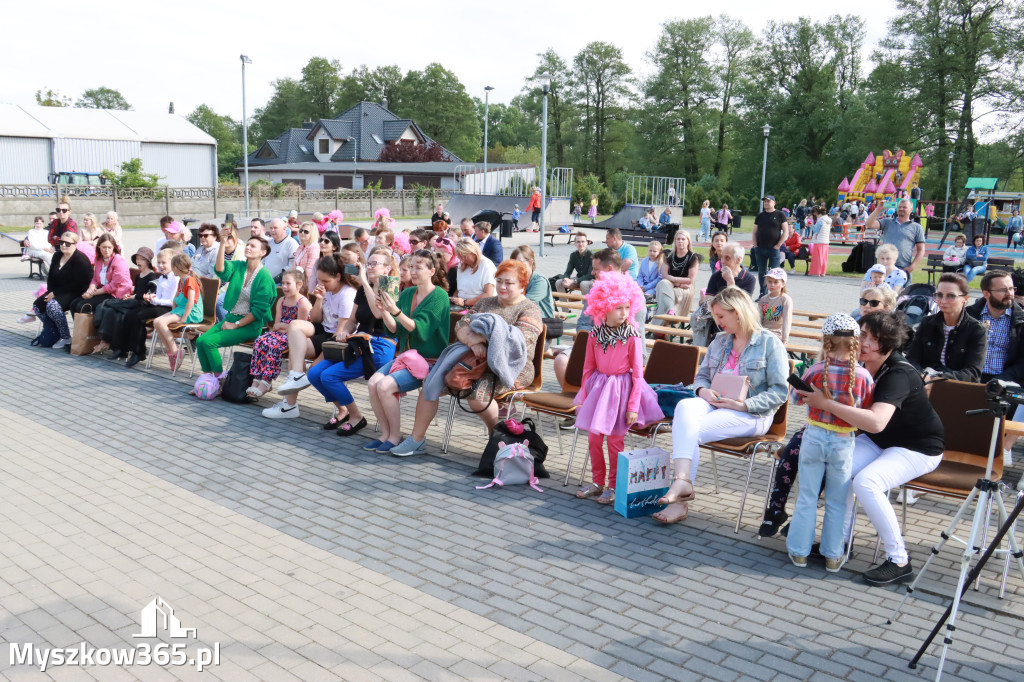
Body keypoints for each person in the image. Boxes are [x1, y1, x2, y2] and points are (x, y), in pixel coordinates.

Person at [800, 312, 944, 585]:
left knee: (866, 482)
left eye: (871, 339)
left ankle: (899, 559)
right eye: (861, 334)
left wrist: (825, 404)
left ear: (888, 346)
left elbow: (877, 422)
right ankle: (839, 544)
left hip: (919, 448)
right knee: (839, 471)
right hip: (882, 442)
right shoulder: (855, 364)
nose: (861, 342)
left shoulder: (899, 372)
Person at [759, 285, 897, 537]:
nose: (866, 305)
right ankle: (776, 510)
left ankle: (803, 521)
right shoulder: (847, 338)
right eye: (863, 300)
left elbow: (872, 409)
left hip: (856, 428)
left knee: (821, 461)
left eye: (874, 303)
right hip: (824, 424)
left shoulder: (883, 352)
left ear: (886, 308)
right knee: (792, 451)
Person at [653, 286, 789, 524]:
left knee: (687, 430)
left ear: (738, 312)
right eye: (715, 317)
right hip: (715, 404)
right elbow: (701, 376)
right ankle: (683, 483)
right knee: (685, 408)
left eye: (721, 316)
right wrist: (702, 390)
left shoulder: (769, 343)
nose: (717, 322)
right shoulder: (720, 341)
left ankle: (680, 497)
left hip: (752, 414)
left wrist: (743, 405)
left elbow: (779, 391)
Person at [389, 260, 542, 456]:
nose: (502, 287)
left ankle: (497, 438)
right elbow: (461, 325)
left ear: (522, 285)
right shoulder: (486, 302)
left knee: (477, 396)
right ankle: (416, 440)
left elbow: (520, 340)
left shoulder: (530, 309)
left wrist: (483, 337)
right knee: (431, 382)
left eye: (509, 283)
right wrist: (474, 342)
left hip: (511, 366)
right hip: (473, 361)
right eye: (499, 281)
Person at [787, 314, 874, 571]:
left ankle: (799, 551)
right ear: (856, 341)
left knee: (807, 497)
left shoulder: (814, 371)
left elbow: (796, 399)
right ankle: (833, 555)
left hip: (814, 437)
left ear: (826, 340)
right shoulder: (863, 376)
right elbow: (866, 408)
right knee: (837, 500)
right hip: (843, 441)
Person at [573, 272, 664, 505]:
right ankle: (597, 481)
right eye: (618, 308)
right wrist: (584, 395)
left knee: (615, 441)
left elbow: (637, 373)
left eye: (627, 307)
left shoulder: (632, 336)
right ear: (604, 308)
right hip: (599, 389)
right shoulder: (595, 334)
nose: (624, 313)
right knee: (594, 438)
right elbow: (587, 368)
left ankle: (613, 485)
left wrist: (633, 406)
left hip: (621, 393)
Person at [364, 251, 450, 453]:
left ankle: (395, 437)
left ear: (432, 271)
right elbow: (394, 329)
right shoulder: (408, 293)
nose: (412, 271)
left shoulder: (440, 296)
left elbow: (418, 328)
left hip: (430, 360)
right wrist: (384, 309)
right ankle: (386, 434)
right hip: (406, 357)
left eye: (418, 267)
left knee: (385, 386)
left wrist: (394, 311)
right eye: (411, 267)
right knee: (373, 383)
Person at [307, 249, 400, 434]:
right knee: (315, 373)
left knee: (329, 376)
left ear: (387, 268)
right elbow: (352, 321)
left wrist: (364, 281)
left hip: (381, 346)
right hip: (358, 342)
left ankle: (357, 416)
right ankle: (344, 410)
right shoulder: (362, 291)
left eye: (375, 264)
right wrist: (344, 332)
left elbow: (378, 314)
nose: (370, 267)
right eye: (369, 263)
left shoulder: (391, 285)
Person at [268, 250, 360, 418]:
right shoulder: (328, 290)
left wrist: (317, 361)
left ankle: (291, 405)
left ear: (338, 276)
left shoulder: (347, 294)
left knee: (312, 371)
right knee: (295, 328)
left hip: (339, 338)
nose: (322, 283)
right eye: (319, 279)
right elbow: (316, 320)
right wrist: (319, 299)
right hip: (323, 330)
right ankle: (296, 377)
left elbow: (340, 333)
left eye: (326, 280)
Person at [194, 231, 275, 376]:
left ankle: (219, 379)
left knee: (209, 342)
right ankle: (207, 380)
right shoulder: (240, 266)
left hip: (250, 325)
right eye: (247, 244)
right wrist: (222, 244)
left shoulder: (265, 277)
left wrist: (235, 325)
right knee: (201, 342)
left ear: (263, 252)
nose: (248, 247)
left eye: (253, 246)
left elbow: (258, 312)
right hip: (232, 317)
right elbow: (220, 270)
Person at [246, 269, 313, 399]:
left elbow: (300, 328)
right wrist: (283, 327)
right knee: (260, 341)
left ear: (299, 285)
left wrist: (284, 327)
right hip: (280, 334)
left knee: (273, 345)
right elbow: (276, 325)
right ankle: (257, 378)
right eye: (283, 283)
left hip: (294, 338)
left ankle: (267, 380)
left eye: (288, 283)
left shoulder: (303, 303)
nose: (284, 287)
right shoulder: (281, 300)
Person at [89, 247, 158, 357]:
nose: (138, 261)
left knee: (113, 307)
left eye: (142, 259)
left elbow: (148, 295)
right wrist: (130, 295)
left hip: (141, 305)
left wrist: (134, 296)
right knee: (112, 311)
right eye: (137, 259)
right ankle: (114, 345)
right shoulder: (139, 275)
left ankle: (117, 346)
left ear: (148, 261)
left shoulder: (151, 275)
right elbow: (137, 291)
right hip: (134, 301)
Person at [28, 232, 92, 349]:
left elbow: (79, 283)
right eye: (61, 242)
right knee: (38, 306)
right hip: (58, 290)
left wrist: (55, 293)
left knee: (52, 306)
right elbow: (51, 276)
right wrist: (50, 291)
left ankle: (66, 337)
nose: (63, 245)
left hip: (76, 291)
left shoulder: (80, 260)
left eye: (67, 243)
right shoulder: (57, 255)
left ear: (75, 244)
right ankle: (53, 329)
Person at [152, 254, 205, 372]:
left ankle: (176, 351)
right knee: (157, 322)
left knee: (162, 323)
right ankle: (171, 352)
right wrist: (171, 313)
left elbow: (191, 302)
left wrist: (183, 318)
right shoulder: (182, 280)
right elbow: (175, 299)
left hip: (191, 312)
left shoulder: (190, 280)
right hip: (180, 309)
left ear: (176, 267)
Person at [69, 233, 132, 317]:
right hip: (103, 291)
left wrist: (94, 293)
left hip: (116, 294)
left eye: (109, 247)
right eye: (104, 247)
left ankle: (89, 329)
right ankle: (80, 329)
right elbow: (95, 279)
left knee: (82, 306)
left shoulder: (119, 261)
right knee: (74, 304)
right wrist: (91, 288)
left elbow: (113, 286)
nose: (107, 250)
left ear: (113, 247)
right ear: (99, 247)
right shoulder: (99, 259)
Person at [867, 198, 926, 276]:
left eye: (904, 207)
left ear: (911, 209)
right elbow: (869, 224)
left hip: (903, 267)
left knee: (901, 288)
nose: (901, 209)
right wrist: (878, 209)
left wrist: (912, 267)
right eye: (899, 207)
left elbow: (921, 250)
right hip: (885, 266)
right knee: (883, 288)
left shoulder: (917, 227)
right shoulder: (887, 222)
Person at [752, 195, 791, 297]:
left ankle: (776, 294)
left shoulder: (780, 215)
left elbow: (786, 231)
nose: (766, 203)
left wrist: (778, 245)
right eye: (765, 201)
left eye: (768, 201)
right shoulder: (760, 216)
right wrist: (755, 244)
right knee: (762, 272)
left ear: (774, 203)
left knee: (775, 272)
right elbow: (754, 231)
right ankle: (763, 293)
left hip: (773, 249)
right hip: (760, 248)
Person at [654, 230, 699, 317]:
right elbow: (664, 276)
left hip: (686, 288)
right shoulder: (669, 255)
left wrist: (674, 281)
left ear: (688, 241)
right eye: (678, 239)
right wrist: (677, 283)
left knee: (667, 291)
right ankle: (670, 310)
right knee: (662, 283)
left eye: (683, 239)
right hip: (671, 284)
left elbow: (690, 280)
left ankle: (662, 323)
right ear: (675, 241)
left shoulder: (693, 258)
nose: (680, 241)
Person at [510, 245, 555, 320]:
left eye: (520, 262)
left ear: (531, 262)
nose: (516, 266)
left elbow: (525, 304)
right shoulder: (515, 279)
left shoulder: (540, 281)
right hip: (523, 319)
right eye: (513, 263)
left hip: (542, 322)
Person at [451, 238, 496, 308]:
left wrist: (465, 302)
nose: (462, 260)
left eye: (464, 256)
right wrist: (454, 298)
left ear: (474, 253)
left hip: (480, 306)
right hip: (462, 304)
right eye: (460, 257)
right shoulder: (462, 265)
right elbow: (460, 288)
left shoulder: (486, 265)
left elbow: (488, 294)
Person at [756, 268, 792, 343]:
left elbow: (787, 320)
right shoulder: (763, 299)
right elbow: (758, 318)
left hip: (777, 333)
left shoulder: (785, 299)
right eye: (769, 282)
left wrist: (785, 339)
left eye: (776, 282)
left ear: (783, 284)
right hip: (763, 332)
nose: (772, 285)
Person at [808, 208, 831, 277]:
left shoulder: (821, 221)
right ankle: (822, 272)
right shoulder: (828, 221)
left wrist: (812, 225)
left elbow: (816, 231)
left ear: (820, 214)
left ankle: (816, 271)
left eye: (817, 214)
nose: (817, 216)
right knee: (824, 257)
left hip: (819, 241)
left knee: (817, 257)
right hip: (826, 241)